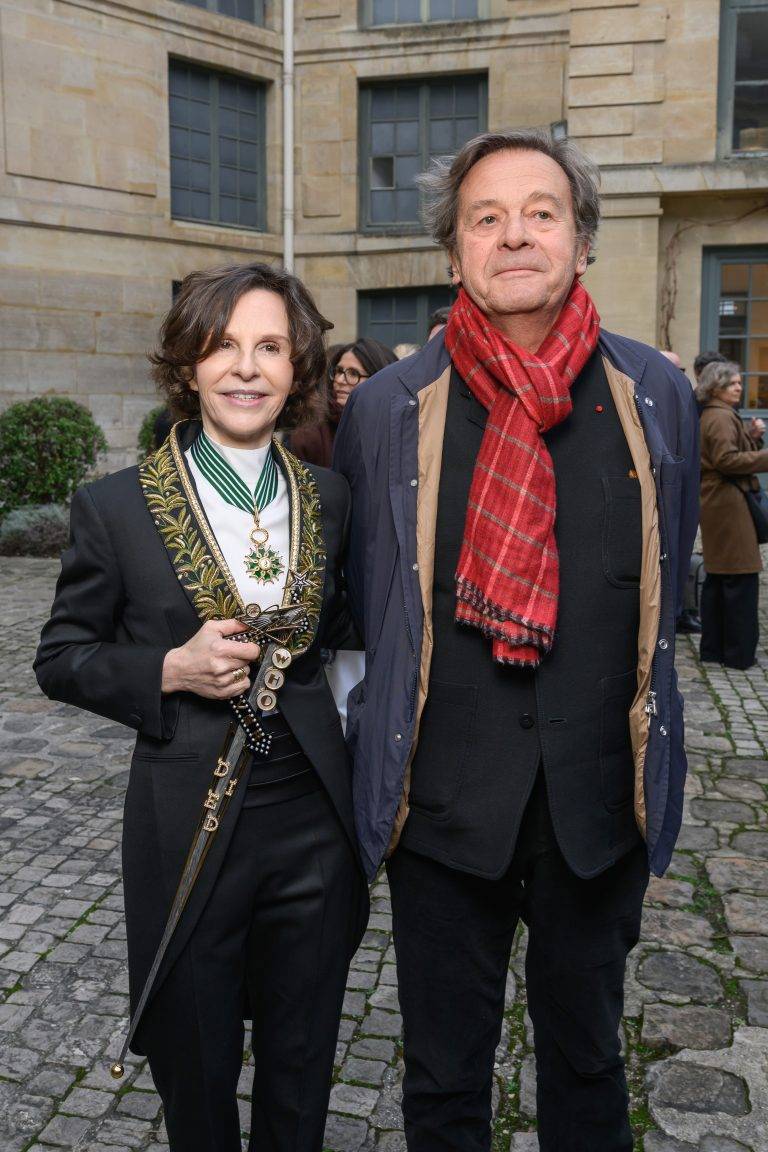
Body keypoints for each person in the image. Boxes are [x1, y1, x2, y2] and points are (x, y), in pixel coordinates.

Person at [334, 129, 699, 1152]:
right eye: (484, 218)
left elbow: (668, 589)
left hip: (596, 809)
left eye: (541, 211)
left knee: (588, 1063)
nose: (515, 235)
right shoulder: (389, 407)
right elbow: (365, 601)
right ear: (453, 255)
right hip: (445, 812)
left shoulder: (652, 393)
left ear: (581, 241)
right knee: (445, 1081)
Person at [35, 263, 369, 1152]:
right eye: (223, 346)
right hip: (187, 818)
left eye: (269, 347)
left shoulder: (331, 499)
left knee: (301, 1065)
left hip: (312, 822)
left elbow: (342, 638)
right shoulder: (115, 506)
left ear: (297, 368)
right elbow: (61, 658)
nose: (247, 368)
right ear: (187, 364)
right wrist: (170, 669)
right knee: (196, 1063)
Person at [696, 359, 768, 669]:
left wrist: (751, 437)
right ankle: (737, 653)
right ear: (716, 387)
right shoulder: (719, 418)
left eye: (739, 382)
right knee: (739, 577)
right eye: (732, 383)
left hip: (722, 500)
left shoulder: (719, 415)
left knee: (722, 577)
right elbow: (726, 460)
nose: (739, 387)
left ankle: (715, 648)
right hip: (727, 502)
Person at [289, 337, 397, 467]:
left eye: (353, 374)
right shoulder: (310, 435)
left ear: (378, 379)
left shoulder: (399, 428)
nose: (339, 380)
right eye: (338, 371)